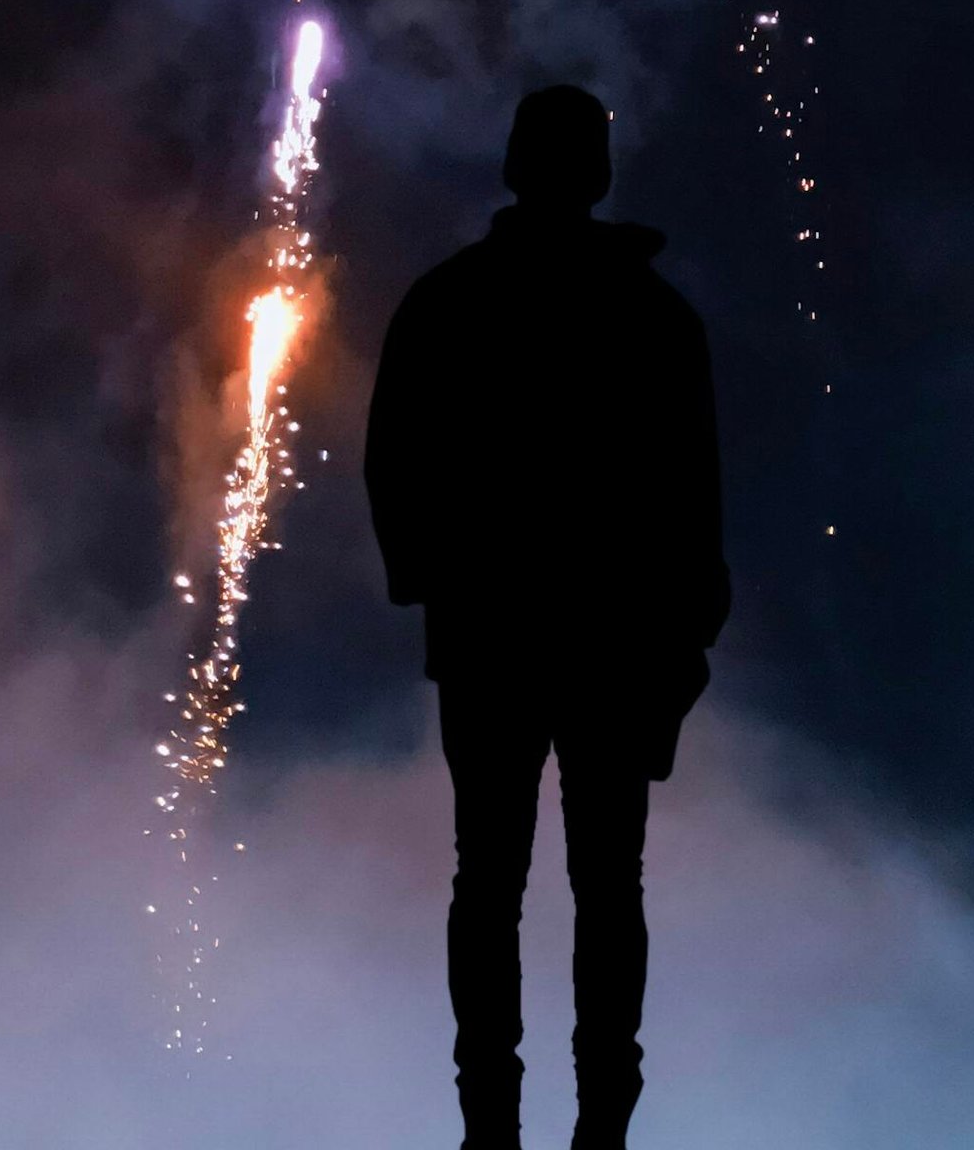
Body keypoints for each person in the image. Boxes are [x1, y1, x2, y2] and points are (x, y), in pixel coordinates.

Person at [365, 85, 729, 1150]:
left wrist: (438, 582)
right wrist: (683, 627)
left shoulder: (447, 301)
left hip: (489, 635)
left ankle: (492, 1125)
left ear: (516, 163)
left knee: (489, 878)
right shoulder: (656, 321)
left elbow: (395, 465)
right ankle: (601, 1126)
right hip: (614, 640)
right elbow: (692, 498)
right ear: (598, 172)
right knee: (606, 884)